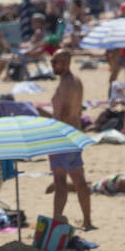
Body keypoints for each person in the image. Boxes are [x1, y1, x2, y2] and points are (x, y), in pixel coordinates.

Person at [47, 49, 93, 229]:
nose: (52, 65)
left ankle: (56, 222)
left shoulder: (65, 85)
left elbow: (61, 114)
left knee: (60, 182)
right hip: (75, 136)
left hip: (62, 137)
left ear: (66, 63)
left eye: (55, 62)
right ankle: (87, 221)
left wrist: (51, 138)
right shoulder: (77, 82)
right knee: (79, 181)